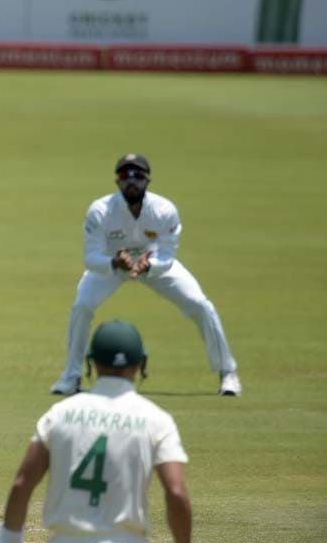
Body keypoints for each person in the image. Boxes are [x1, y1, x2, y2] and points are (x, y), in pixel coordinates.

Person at [50, 153, 241, 397]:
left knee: (200, 305)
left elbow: (168, 256)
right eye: (125, 176)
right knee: (82, 306)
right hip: (113, 266)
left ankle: (228, 373)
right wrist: (114, 262)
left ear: (147, 181)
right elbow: (91, 258)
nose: (131, 180)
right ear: (117, 182)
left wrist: (149, 266)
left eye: (138, 176)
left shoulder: (164, 210)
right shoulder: (100, 211)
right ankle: (70, 377)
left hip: (155, 266)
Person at [0, 320, 194, 543]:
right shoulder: (157, 420)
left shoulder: (59, 414)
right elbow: (176, 491)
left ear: (92, 363)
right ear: (140, 364)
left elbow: (23, 483)